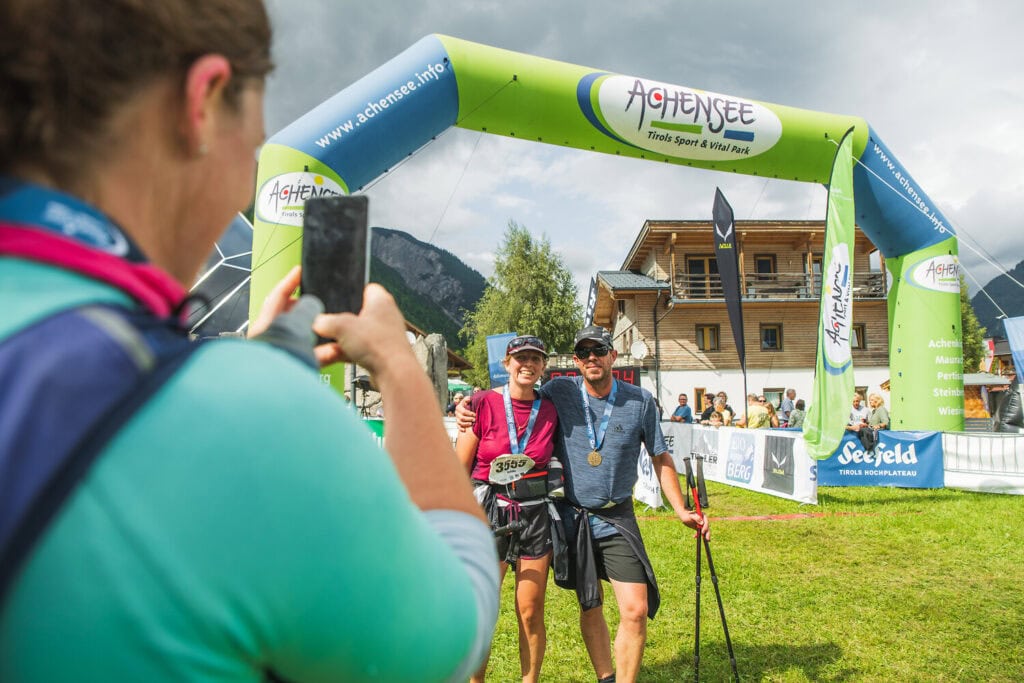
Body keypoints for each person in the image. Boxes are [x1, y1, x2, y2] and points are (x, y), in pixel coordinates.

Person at [0, 3, 498, 680]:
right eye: (256, 140)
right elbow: (456, 630)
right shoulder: (247, 417)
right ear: (201, 102)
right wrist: (398, 366)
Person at [459, 325, 709, 683]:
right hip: (561, 515)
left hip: (610, 516)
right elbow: (510, 402)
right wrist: (468, 404)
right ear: (574, 361)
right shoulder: (557, 392)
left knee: (630, 610)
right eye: (584, 353)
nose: (592, 358)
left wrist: (682, 509)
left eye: (599, 350)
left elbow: (660, 457)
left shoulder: (636, 401)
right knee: (584, 604)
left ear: (613, 356)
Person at [455, 335, 559, 683]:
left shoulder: (549, 409)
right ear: (506, 363)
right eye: (520, 358)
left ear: (543, 365)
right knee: (482, 608)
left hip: (534, 513)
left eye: (535, 358)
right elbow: (459, 468)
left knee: (530, 611)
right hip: (490, 510)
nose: (527, 364)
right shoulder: (481, 403)